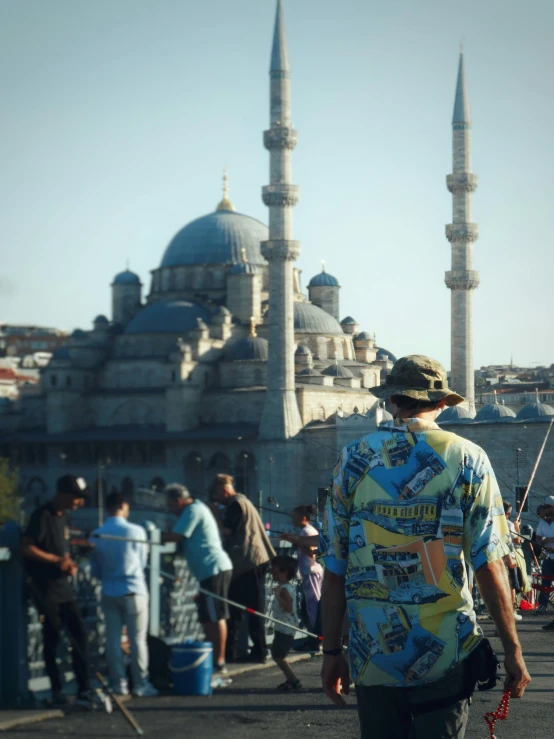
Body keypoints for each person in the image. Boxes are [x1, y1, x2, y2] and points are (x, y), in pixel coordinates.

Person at [319, 355, 531, 739]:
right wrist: (512, 650)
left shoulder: (352, 459)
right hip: (447, 651)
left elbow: (334, 567)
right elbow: (489, 563)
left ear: (391, 400)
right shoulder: (469, 459)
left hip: (373, 653)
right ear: (440, 402)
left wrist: (331, 653)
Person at [21, 475, 94, 707]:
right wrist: (55, 560)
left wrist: (68, 563)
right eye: (76, 498)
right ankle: (56, 690)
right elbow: (26, 546)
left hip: (63, 588)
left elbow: (61, 550)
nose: (79, 503)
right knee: (52, 637)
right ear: (63, 494)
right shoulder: (42, 515)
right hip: (45, 588)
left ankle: (85, 689)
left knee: (80, 634)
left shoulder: (64, 518)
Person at [90, 493, 157, 697]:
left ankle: (119, 684)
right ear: (122, 505)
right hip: (134, 590)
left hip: (109, 590)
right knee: (137, 640)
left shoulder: (97, 534)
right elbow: (142, 562)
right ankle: (140, 684)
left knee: (112, 639)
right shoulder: (136, 531)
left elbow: (95, 570)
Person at [164, 483, 233, 673]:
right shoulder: (197, 508)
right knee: (206, 617)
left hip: (213, 569)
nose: (170, 510)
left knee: (216, 616)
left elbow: (177, 536)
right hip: (208, 571)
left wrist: (155, 537)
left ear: (177, 501)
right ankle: (210, 659)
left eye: (170, 505)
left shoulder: (192, 510)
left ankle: (219, 663)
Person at [210, 473, 276, 663]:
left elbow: (227, 531)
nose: (215, 499)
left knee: (244, 608)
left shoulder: (236, 505)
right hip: (255, 561)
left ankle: (255, 651)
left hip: (248, 563)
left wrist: (215, 515)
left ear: (223, 490)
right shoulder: (244, 501)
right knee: (247, 607)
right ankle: (249, 650)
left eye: (215, 495)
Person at [290, 505, 323, 650]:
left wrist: (297, 542)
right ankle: (315, 639)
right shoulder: (311, 531)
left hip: (311, 572)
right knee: (310, 607)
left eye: (294, 516)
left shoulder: (306, 532)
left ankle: (317, 640)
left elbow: (312, 553)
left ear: (303, 518)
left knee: (313, 608)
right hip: (311, 572)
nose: (292, 519)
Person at [270, 555, 302, 690]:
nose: (272, 571)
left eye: (275, 569)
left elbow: (288, 608)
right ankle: (291, 679)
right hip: (282, 627)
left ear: (284, 572)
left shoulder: (284, 589)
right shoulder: (285, 587)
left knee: (278, 655)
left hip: (286, 628)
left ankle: (293, 679)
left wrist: (277, 595)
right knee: (277, 654)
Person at [536, 496, 554, 625]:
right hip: (549, 557)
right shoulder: (542, 522)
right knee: (545, 581)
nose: (545, 510)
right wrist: (546, 542)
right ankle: (542, 604)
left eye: (548, 507)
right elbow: (538, 539)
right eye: (544, 507)